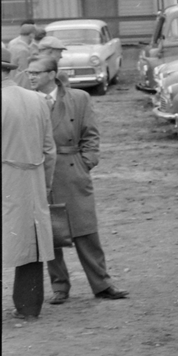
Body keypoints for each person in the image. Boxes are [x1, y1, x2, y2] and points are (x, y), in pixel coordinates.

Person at [24, 54, 129, 303]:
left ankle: (102, 284)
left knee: (85, 229)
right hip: (39, 171)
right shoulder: (27, 101)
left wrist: (86, 162)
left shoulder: (78, 98)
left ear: (51, 74)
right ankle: (60, 286)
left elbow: (91, 134)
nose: (30, 77)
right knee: (49, 231)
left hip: (72, 170)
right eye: (29, 73)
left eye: (36, 73)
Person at [2, 44, 56, 319]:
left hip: (6, 181)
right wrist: (43, 185)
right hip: (33, 180)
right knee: (32, 242)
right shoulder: (37, 99)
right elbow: (50, 150)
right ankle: (29, 306)